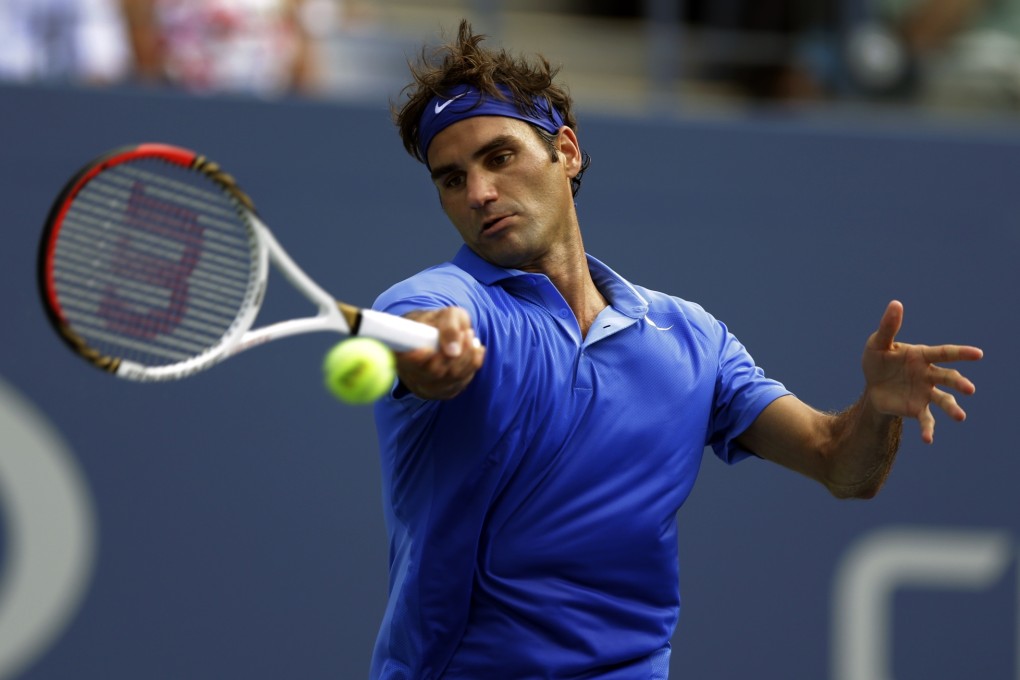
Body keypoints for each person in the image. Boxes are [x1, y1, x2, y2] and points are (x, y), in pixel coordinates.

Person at [369, 20, 982, 680]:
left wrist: (877, 409)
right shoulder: (443, 301)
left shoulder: (692, 339)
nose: (479, 193)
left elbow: (840, 465)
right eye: (451, 179)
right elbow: (417, 332)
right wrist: (432, 356)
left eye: (500, 157)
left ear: (566, 152)